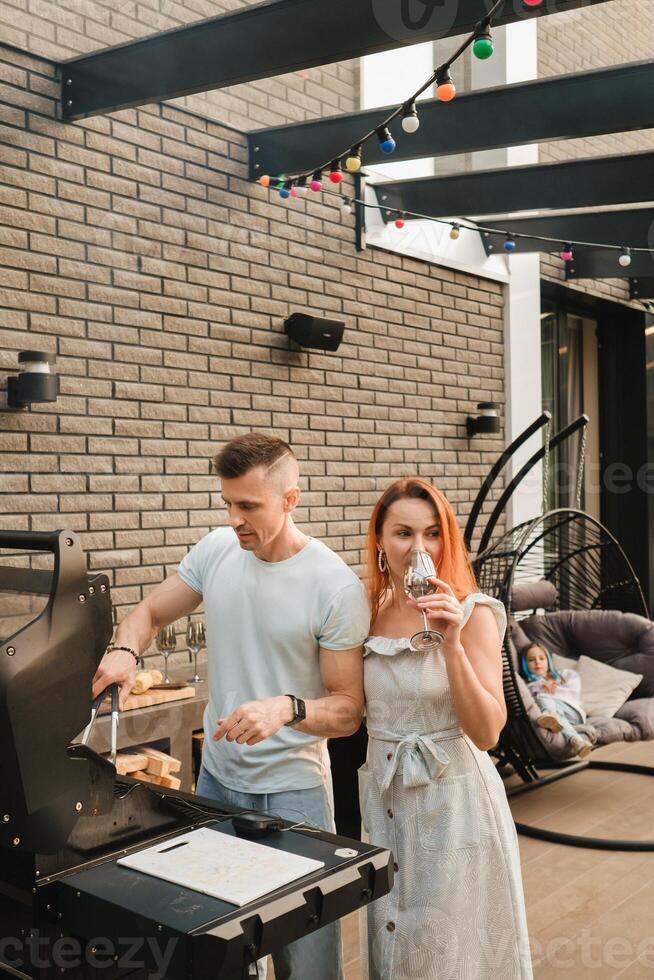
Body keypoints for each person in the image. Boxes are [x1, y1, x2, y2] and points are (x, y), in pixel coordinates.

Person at [93, 433, 370, 980]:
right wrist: (124, 651)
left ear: (291, 499)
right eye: (228, 503)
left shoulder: (334, 586)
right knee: (217, 956)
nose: (235, 518)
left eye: (249, 506)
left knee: (308, 965)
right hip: (216, 785)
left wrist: (286, 709)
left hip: (295, 795)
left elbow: (348, 710)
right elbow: (147, 614)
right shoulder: (216, 550)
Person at [358, 477, 533, 980]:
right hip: (386, 800)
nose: (419, 548)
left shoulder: (472, 613)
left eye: (432, 534)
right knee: (395, 942)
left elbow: (488, 732)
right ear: (379, 540)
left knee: (451, 954)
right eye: (403, 533)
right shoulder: (365, 611)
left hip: (455, 806)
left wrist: (451, 643)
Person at [521, 642, 593, 759]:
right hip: (560, 720)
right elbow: (530, 697)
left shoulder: (565, 675)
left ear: (548, 660)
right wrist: (540, 685)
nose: (537, 662)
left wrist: (553, 688)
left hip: (574, 714)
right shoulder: (529, 686)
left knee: (542, 697)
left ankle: (549, 714)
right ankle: (577, 742)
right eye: (531, 660)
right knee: (554, 715)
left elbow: (573, 695)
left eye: (541, 658)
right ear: (525, 665)